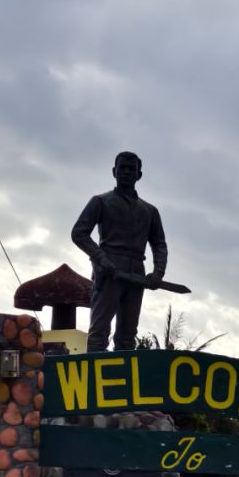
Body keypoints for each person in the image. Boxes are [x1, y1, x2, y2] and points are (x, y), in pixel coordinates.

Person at [71, 150, 168, 352]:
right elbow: (79, 233)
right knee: (99, 332)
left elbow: (159, 244)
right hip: (109, 270)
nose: (126, 172)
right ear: (114, 171)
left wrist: (158, 273)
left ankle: (124, 378)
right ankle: (93, 377)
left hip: (136, 271)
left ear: (139, 175)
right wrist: (99, 257)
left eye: (131, 169)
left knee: (127, 335)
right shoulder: (101, 201)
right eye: (122, 168)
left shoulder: (149, 211)